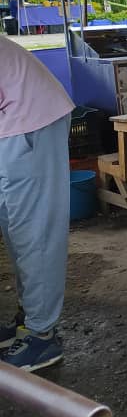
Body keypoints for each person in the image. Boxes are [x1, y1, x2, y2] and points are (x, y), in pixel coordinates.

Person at [0, 36, 74, 371]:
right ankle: (29, 317)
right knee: (15, 227)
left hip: (30, 121)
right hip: (14, 122)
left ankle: (41, 337)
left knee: (34, 231)